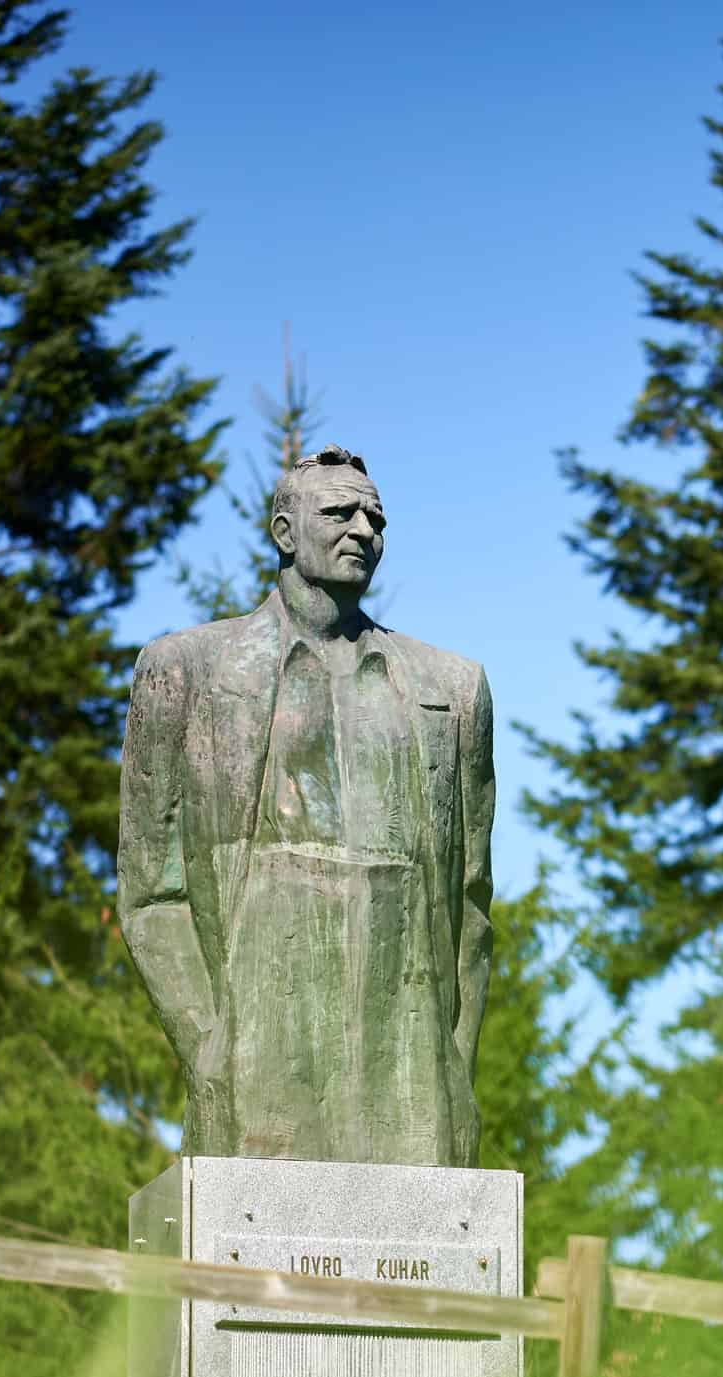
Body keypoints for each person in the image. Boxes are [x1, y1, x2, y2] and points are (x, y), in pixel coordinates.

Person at [117, 446, 493, 1165]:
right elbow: (151, 894)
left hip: (409, 1066)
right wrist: (207, 1048)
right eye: (340, 513)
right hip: (255, 1060)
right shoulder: (187, 671)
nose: (364, 531)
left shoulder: (451, 689)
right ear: (285, 532)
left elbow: (470, 907)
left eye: (376, 519)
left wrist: (457, 1064)